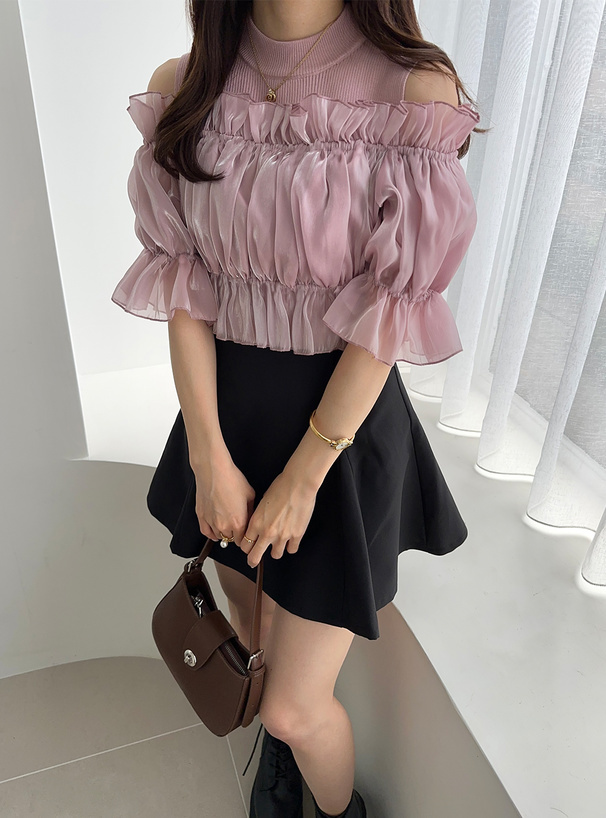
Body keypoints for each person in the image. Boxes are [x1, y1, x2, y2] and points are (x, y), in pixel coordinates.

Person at [111, 1, 482, 815]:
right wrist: (208, 456)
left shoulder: (413, 92)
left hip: (338, 433)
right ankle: (279, 766)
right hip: (225, 420)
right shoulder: (188, 84)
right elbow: (183, 288)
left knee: (293, 707)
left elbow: (391, 312)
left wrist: (305, 477)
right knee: (254, 640)